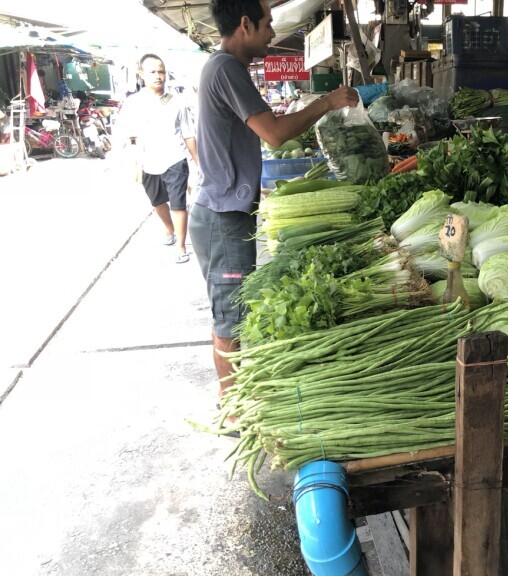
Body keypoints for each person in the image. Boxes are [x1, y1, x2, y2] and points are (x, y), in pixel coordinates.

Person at [189, 0, 359, 413]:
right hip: (222, 218)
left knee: (234, 312)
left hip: (226, 210)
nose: (271, 34)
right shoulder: (226, 67)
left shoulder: (224, 68)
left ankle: (237, 399)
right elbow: (274, 133)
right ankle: (232, 409)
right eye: (267, 24)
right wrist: (327, 102)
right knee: (230, 318)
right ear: (244, 24)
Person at [118, 54, 199, 263]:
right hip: (148, 161)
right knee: (157, 202)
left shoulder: (177, 102)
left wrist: (198, 161)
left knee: (179, 204)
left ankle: (181, 247)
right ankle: (169, 228)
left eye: (161, 71)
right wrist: (127, 155)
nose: (158, 76)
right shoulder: (133, 103)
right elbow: (126, 134)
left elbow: (188, 133)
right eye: (153, 71)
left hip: (176, 159)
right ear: (142, 74)